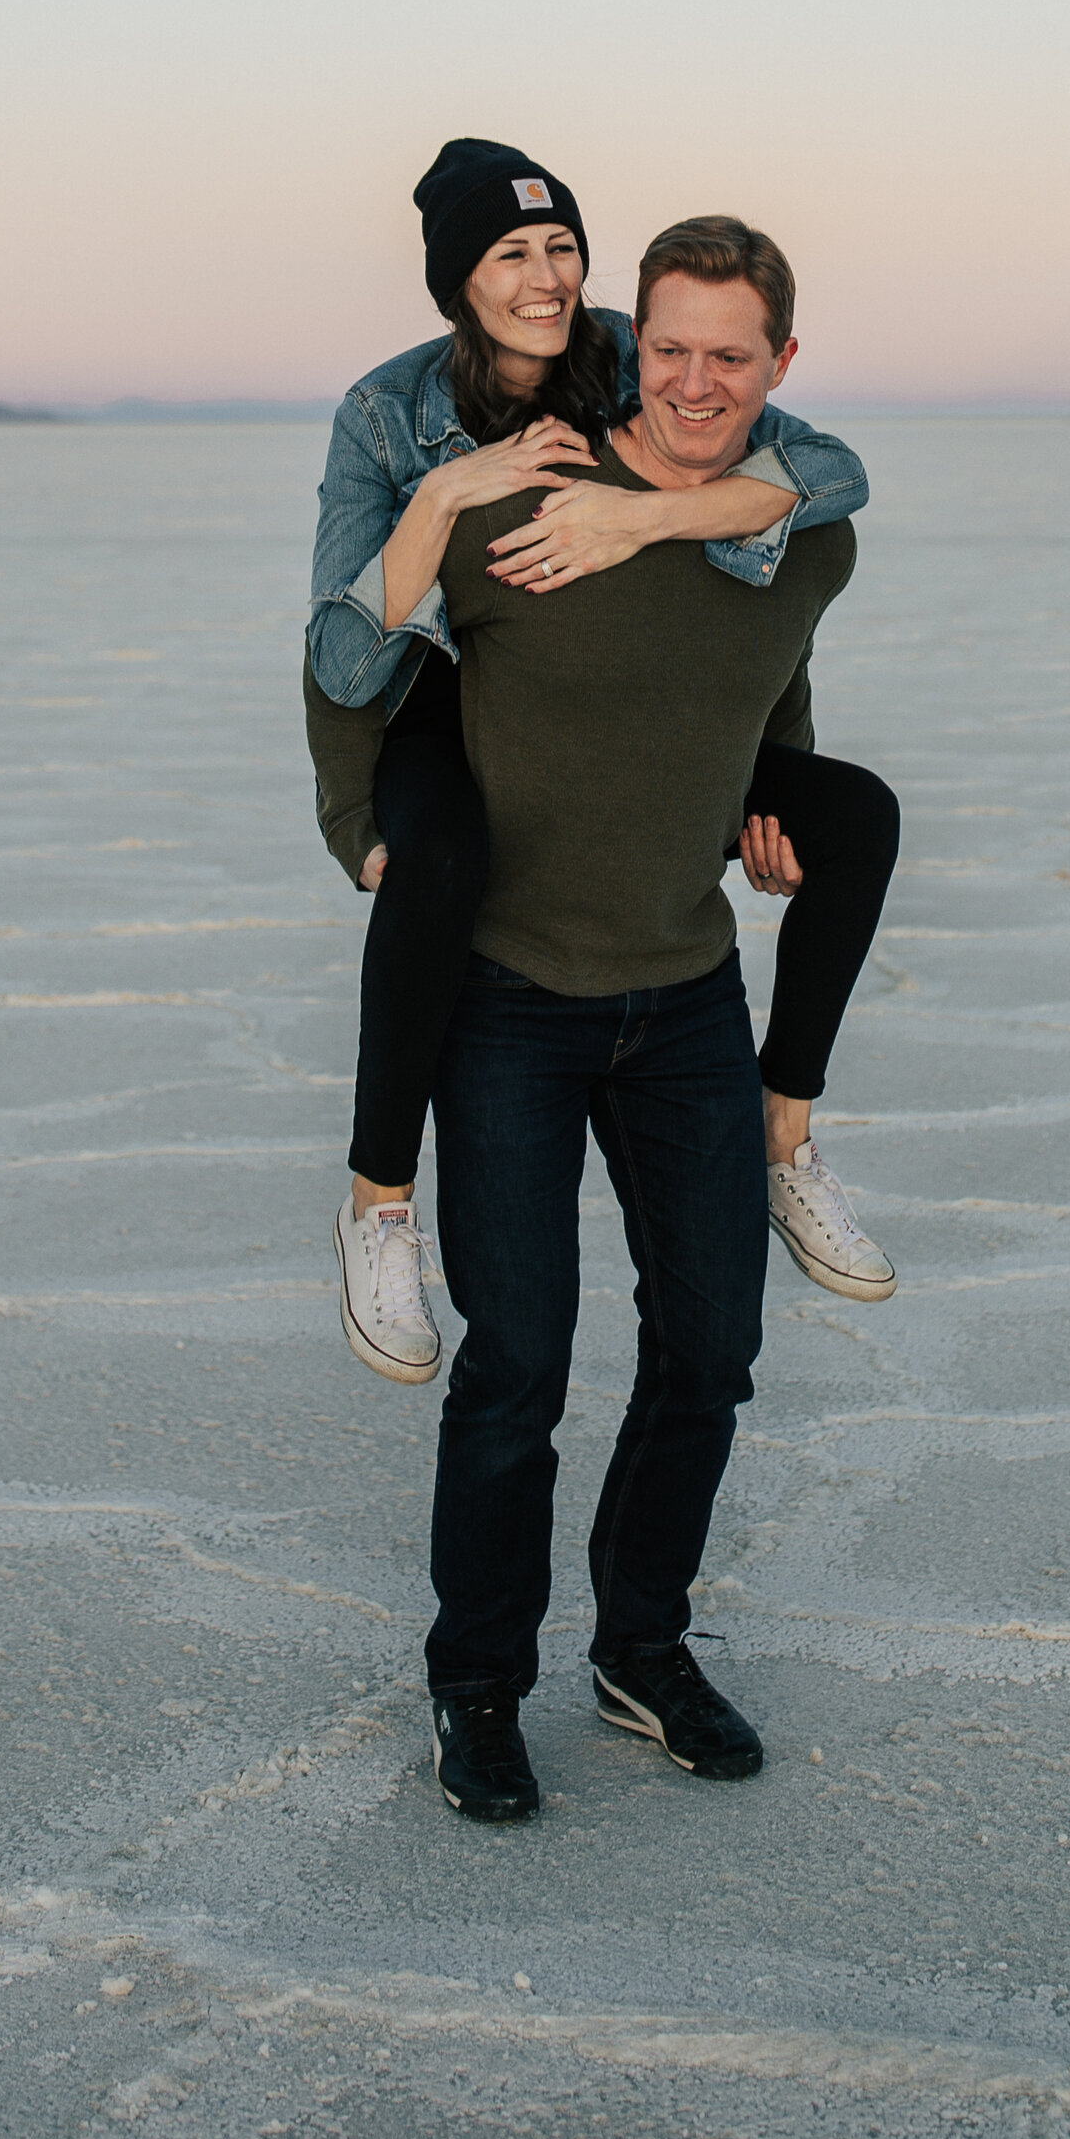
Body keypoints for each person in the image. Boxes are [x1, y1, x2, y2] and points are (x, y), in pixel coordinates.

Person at [304, 142, 901, 1390]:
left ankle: (782, 1138)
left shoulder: (640, 350)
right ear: (455, 279)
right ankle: (376, 1204)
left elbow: (822, 477)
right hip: (438, 699)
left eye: (562, 246)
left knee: (860, 819)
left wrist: (645, 514)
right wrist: (446, 494)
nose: (546, 277)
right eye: (510, 253)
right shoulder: (386, 412)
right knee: (445, 857)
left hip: (634, 707)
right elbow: (347, 661)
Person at [403, 210, 864, 1818]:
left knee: (713, 1348)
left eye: (729, 355)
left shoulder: (800, 534)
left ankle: (641, 1648)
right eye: (665, 345)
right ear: (627, 339)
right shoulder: (519, 502)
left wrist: (772, 802)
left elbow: (768, 673)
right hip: (510, 1004)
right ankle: (477, 1687)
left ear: (780, 366)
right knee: (517, 1361)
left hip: (683, 999)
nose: (692, 379)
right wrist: (369, 836)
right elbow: (364, 660)